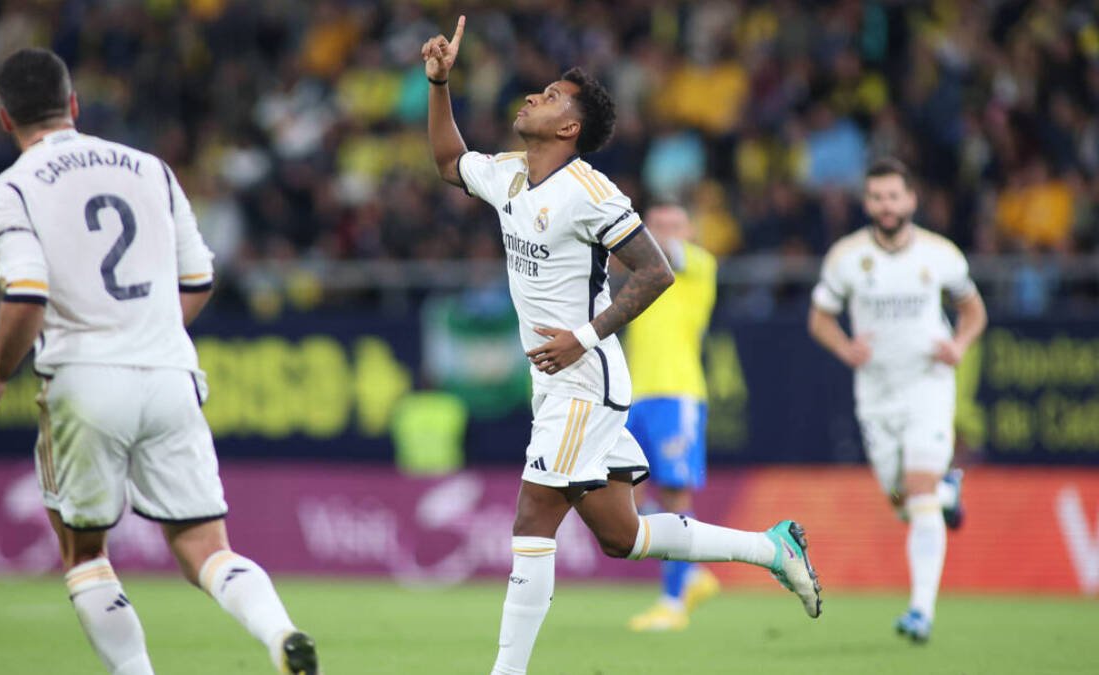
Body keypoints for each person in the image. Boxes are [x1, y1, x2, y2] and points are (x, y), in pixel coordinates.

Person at [422, 18, 821, 675]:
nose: (531, 97)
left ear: (569, 128)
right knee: (622, 535)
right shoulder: (512, 176)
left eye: (549, 96)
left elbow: (656, 268)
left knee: (532, 517)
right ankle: (773, 548)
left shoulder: (590, 191)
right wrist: (440, 85)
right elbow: (445, 161)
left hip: (584, 377)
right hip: (557, 379)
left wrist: (581, 337)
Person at [0, 48, 317, 675]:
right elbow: (200, 275)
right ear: (73, 105)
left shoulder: (8, 191)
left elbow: (24, 293)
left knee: (85, 552)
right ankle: (280, 632)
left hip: (84, 380)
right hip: (169, 374)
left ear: (2, 119)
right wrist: (145, 328)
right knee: (206, 549)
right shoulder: (148, 168)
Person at [809, 157, 985, 643]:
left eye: (894, 196)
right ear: (867, 203)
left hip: (928, 385)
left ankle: (921, 612)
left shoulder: (940, 254)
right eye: (877, 197)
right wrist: (846, 348)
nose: (886, 205)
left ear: (911, 199)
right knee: (906, 502)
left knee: (919, 491)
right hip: (876, 393)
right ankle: (950, 492)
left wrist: (961, 345)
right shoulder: (847, 256)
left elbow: (973, 310)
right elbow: (819, 318)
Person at [622, 204, 721, 632]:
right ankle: (692, 574)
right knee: (626, 494)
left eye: (671, 226)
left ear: (691, 230)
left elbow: (668, 251)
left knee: (676, 496)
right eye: (655, 225)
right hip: (636, 396)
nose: (661, 233)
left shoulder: (698, 264)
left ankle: (673, 602)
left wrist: (633, 232)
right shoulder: (640, 276)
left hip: (677, 395)